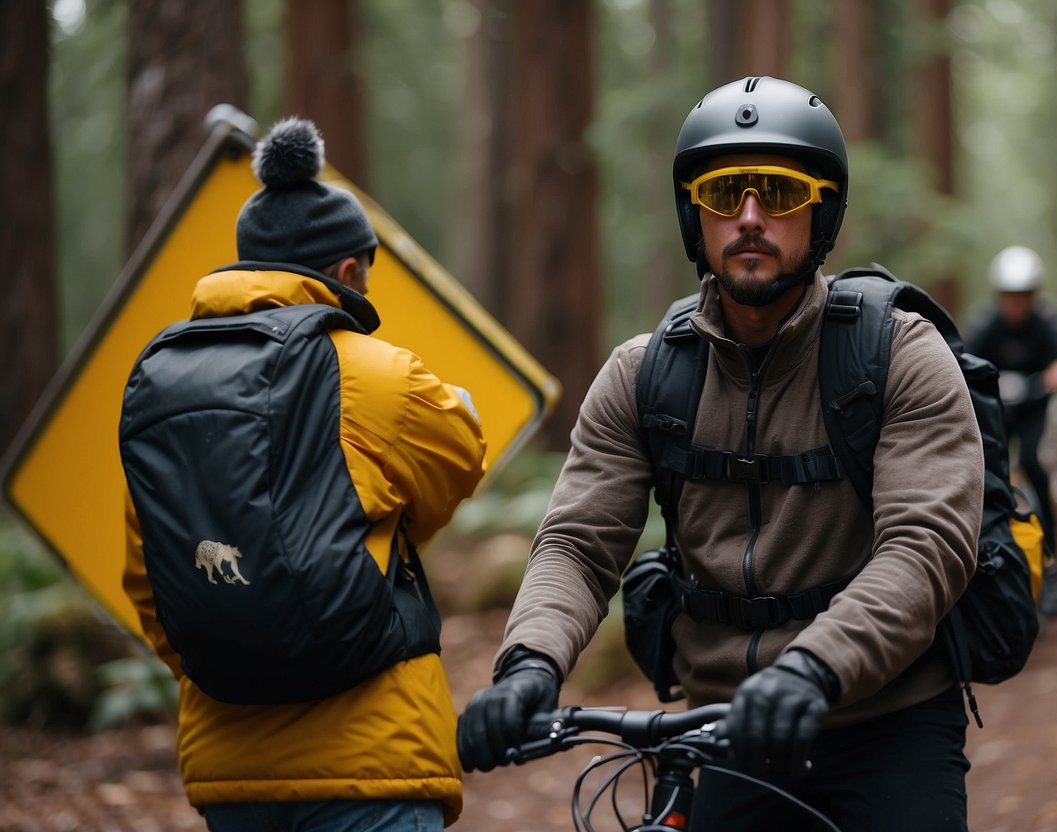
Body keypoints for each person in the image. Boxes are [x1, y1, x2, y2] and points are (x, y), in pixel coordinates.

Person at [458, 77, 983, 830]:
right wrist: (527, 666)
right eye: (722, 193)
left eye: (775, 191)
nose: (747, 217)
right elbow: (576, 545)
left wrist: (812, 667)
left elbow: (926, 545)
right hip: (725, 727)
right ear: (691, 216)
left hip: (888, 720)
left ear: (820, 211)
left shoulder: (897, 352)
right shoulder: (641, 375)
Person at [120, 118, 486, 831]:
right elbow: (455, 464)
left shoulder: (157, 385)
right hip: (374, 760)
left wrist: (236, 653)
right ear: (348, 271)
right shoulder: (379, 377)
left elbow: (150, 578)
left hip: (229, 766)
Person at [965, 245, 1057, 617]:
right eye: (1009, 296)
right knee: (987, 480)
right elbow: (957, 355)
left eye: (1023, 296)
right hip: (997, 414)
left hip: (1034, 411)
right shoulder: (986, 325)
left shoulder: (1046, 321)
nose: (1015, 303)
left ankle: (1053, 565)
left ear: (1033, 296)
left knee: (1034, 464)